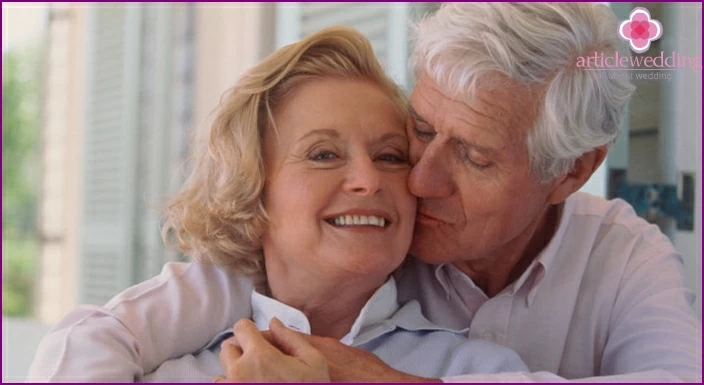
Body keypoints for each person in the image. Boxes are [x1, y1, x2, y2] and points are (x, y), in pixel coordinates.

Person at [28, 2, 702, 383]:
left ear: (572, 171)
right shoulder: (248, 291)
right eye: (420, 130)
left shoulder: (617, 264)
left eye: (471, 154)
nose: (412, 178)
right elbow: (102, 336)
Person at [26, 27, 529, 382]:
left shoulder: (481, 370)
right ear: (252, 192)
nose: (367, 179)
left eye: (390, 155)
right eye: (323, 154)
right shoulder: (156, 367)